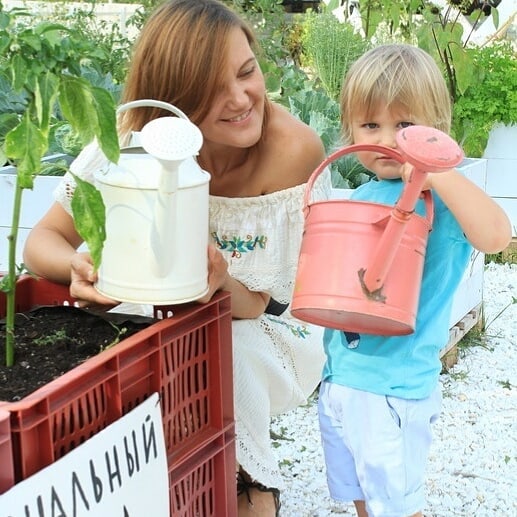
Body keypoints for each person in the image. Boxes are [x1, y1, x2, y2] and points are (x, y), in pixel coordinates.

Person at [23, 1, 330, 515]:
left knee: (222, 354)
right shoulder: (133, 143)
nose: (240, 99)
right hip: (150, 313)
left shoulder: (292, 149)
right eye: (212, 92)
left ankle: (249, 489)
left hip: (259, 326)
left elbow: (261, 305)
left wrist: (215, 280)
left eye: (247, 71)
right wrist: (76, 268)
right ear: (172, 101)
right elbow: (43, 240)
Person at [317, 43, 512, 517]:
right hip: (341, 374)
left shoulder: (443, 201)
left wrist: (437, 174)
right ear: (352, 130)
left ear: (436, 129)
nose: (388, 140)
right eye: (371, 125)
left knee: (398, 504)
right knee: (360, 490)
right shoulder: (362, 194)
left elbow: (496, 236)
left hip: (394, 386)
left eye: (405, 126)